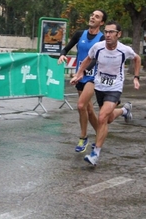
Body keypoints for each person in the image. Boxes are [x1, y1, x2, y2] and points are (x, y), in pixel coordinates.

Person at [71, 20, 141, 166]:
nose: (108, 35)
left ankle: (95, 154)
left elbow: (137, 58)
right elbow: (87, 60)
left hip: (115, 88)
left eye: (111, 32)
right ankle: (124, 110)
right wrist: (79, 74)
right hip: (100, 86)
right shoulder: (98, 47)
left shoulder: (124, 49)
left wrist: (136, 77)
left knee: (102, 118)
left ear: (118, 34)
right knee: (107, 119)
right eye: (106, 32)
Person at [58, 9, 107, 153]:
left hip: (93, 76)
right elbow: (66, 48)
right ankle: (100, 134)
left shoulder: (102, 38)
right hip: (79, 76)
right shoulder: (80, 34)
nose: (92, 17)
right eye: (92, 15)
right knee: (89, 109)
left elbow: (96, 59)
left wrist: (83, 72)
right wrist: (62, 55)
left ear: (101, 22)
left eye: (97, 16)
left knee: (81, 106)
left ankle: (83, 137)